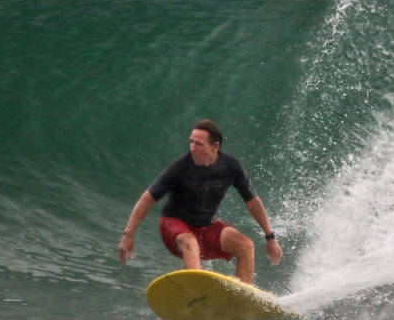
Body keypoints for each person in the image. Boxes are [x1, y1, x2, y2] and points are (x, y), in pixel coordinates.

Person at [118, 119, 283, 285]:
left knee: (245, 245)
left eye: (199, 144)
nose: (192, 148)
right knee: (190, 242)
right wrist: (128, 235)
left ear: (215, 146)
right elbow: (147, 199)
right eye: (191, 142)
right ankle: (196, 293)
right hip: (173, 225)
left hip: (205, 227)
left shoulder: (231, 167)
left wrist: (270, 237)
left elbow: (252, 201)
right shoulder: (180, 168)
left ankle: (243, 298)